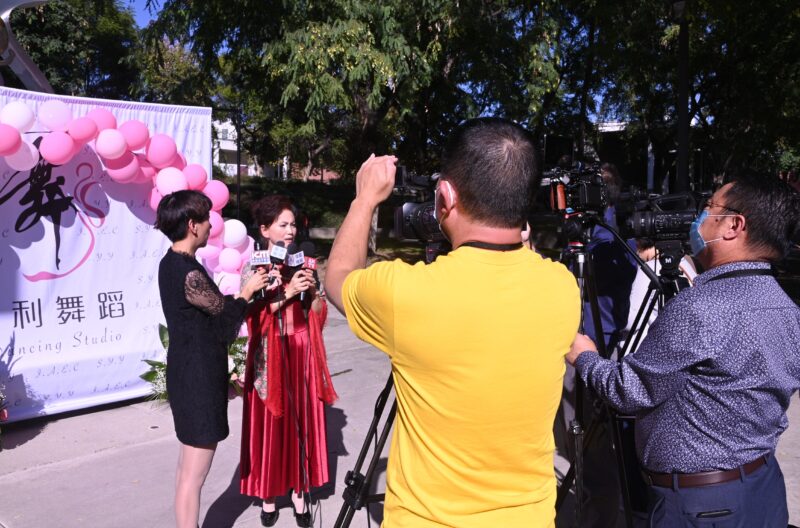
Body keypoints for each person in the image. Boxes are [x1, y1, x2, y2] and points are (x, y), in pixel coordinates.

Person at [325, 118, 581, 527]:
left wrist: (364, 199)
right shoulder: (562, 287)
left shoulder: (406, 293)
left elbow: (337, 277)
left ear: (444, 195)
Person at [567, 173, 800, 526]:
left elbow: (629, 392)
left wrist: (584, 357)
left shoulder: (699, 307)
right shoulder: (786, 307)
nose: (699, 217)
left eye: (709, 207)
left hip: (702, 505)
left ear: (734, 226)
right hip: (762, 488)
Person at [155, 190, 271, 528]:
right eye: (206, 219)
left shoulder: (171, 263)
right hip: (198, 378)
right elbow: (223, 322)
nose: (211, 225)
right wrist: (247, 291)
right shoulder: (188, 273)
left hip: (188, 370)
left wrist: (243, 298)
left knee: (186, 470)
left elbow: (213, 312)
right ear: (192, 225)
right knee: (194, 475)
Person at [239, 195, 338, 528]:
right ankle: (268, 495)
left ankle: (299, 491)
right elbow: (252, 317)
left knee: (301, 423)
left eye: (293, 224)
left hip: (300, 349)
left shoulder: (303, 262)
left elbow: (317, 314)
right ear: (265, 229)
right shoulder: (254, 268)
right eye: (283, 224)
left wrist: (313, 292)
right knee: (271, 425)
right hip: (270, 353)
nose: (290, 230)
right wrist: (288, 293)